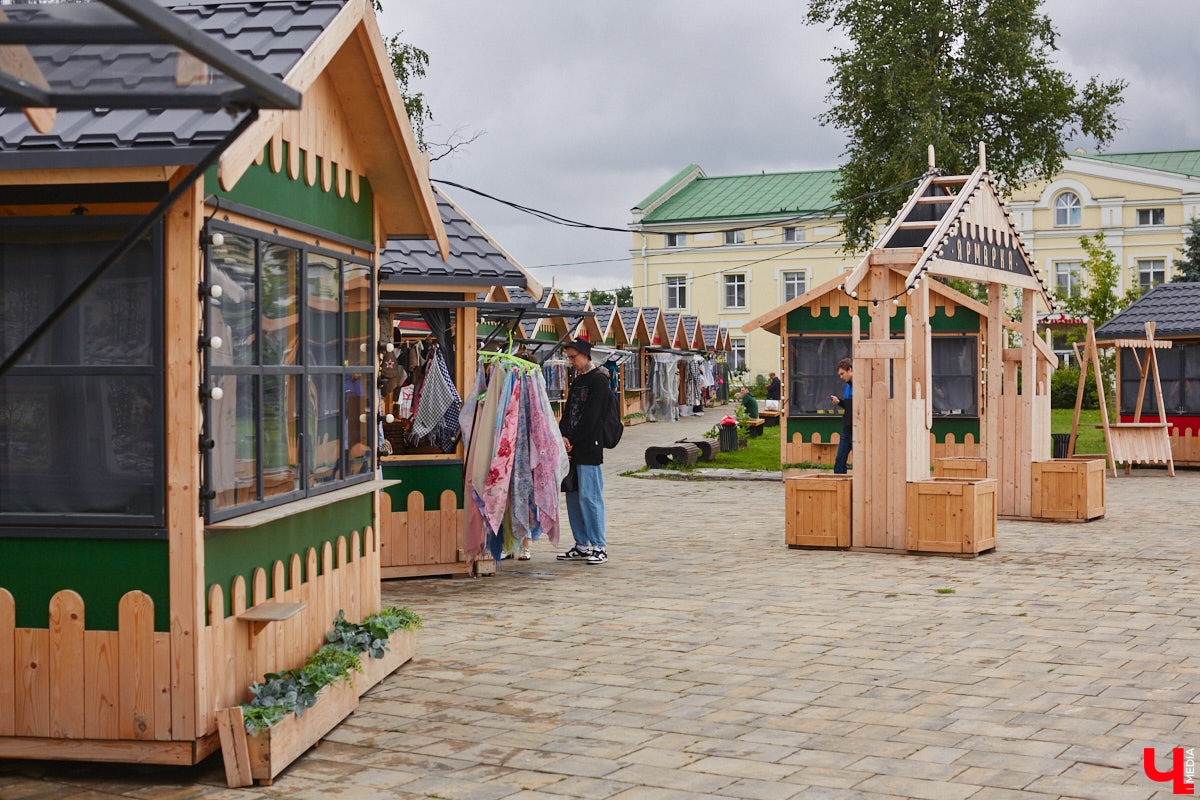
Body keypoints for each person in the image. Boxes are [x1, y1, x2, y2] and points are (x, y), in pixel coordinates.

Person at [556, 338, 610, 565]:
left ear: (586, 355)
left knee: (590, 497)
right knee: (573, 496)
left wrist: (572, 439)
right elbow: (569, 412)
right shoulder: (577, 382)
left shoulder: (599, 381)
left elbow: (592, 418)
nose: (571, 362)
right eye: (568, 357)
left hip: (589, 448)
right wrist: (562, 437)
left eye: (573, 357)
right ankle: (581, 544)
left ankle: (599, 546)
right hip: (572, 448)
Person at [829, 358, 853, 474]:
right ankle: (839, 487)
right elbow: (849, 407)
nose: (841, 377)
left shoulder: (860, 386)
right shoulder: (847, 387)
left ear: (850, 370)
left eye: (842, 374)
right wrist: (839, 402)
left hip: (856, 430)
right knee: (839, 461)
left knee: (860, 461)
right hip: (846, 429)